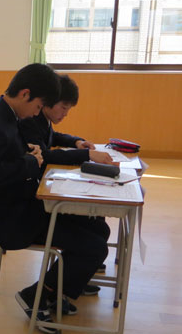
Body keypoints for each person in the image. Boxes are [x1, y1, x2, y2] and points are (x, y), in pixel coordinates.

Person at [0, 63, 109, 334]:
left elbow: (26, 154)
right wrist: (30, 162)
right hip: (14, 220)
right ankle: (36, 296)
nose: (37, 113)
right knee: (94, 246)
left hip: (27, 204)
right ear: (25, 94)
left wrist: (32, 158)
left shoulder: (10, 115)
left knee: (96, 227)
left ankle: (60, 288)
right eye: (38, 106)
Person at [18, 74, 112, 296]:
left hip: (37, 195)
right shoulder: (30, 120)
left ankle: (74, 276)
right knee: (95, 238)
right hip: (31, 205)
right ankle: (43, 293)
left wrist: (76, 142)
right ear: (47, 102)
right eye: (63, 108)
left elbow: (53, 137)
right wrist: (87, 155)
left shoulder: (42, 119)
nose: (65, 114)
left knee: (100, 227)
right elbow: (47, 155)